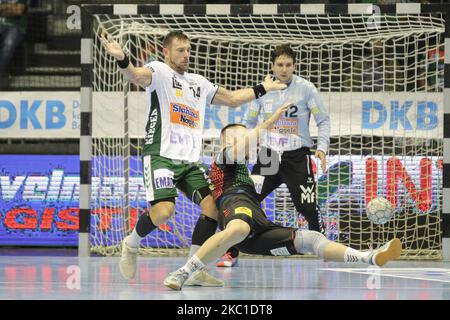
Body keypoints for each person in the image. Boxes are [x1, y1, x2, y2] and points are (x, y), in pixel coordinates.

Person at [100, 30, 286, 285]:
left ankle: (194, 268)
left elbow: (231, 99)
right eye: (180, 50)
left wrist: (263, 87)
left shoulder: (198, 82)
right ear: (166, 52)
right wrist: (122, 58)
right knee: (164, 211)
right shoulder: (158, 72)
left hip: (189, 162)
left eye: (188, 50)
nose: (186, 55)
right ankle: (131, 244)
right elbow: (135, 75)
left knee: (212, 207)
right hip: (160, 156)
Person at [163, 106, 402, 291]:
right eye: (241, 137)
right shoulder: (223, 156)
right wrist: (268, 122)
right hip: (236, 209)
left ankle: (367, 257)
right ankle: (184, 273)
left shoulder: (245, 168)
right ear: (226, 141)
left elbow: (267, 165)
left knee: (312, 238)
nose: (248, 141)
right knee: (238, 227)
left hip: (257, 226)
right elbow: (243, 147)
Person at [216, 44, 330, 268]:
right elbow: (248, 122)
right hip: (268, 158)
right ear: (272, 66)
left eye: (288, 65)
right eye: (280, 64)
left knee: (307, 207)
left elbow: (323, 121)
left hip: (297, 157)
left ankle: (324, 246)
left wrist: (322, 148)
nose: (284, 69)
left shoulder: (306, 89)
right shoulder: (263, 90)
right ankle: (231, 251)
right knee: (244, 199)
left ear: (294, 66)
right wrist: (244, 146)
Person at [0, 0, 27, 90]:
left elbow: (18, 11)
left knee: (9, 42)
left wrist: (2, 7)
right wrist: (10, 7)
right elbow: (15, 10)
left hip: (15, 28)